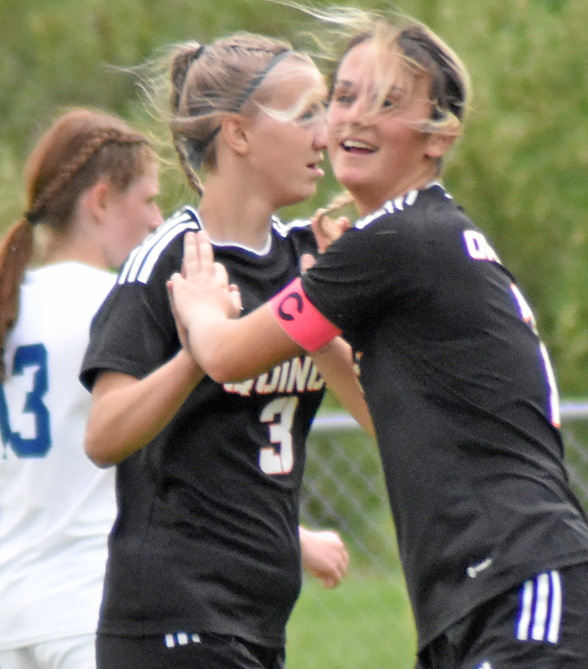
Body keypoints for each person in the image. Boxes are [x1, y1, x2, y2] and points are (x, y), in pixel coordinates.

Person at [168, 12, 588, 669]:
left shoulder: (395, 240)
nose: (353, 118)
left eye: (387, 102)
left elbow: (223, 354)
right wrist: (328, 333)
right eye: (344, 97)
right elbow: (389, 419)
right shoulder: (412, 238)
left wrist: (200, 307)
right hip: (475, 605)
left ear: (438, 135)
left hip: (526, 592)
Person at [78, 33, 370, 669]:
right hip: (172, 619)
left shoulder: (307, 261)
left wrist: (328, 317)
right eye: (306, 114)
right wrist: (197, 352)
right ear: (237, 133)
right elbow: (102, 436)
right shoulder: (171, 262)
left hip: (259, 624)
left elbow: (383, 414)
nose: (325, 134)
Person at [0, 108, 164, 669]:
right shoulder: (117, 302)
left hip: (18, 611)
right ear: (102, 201)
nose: (159, 220)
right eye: (150, 200)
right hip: (94, 603)